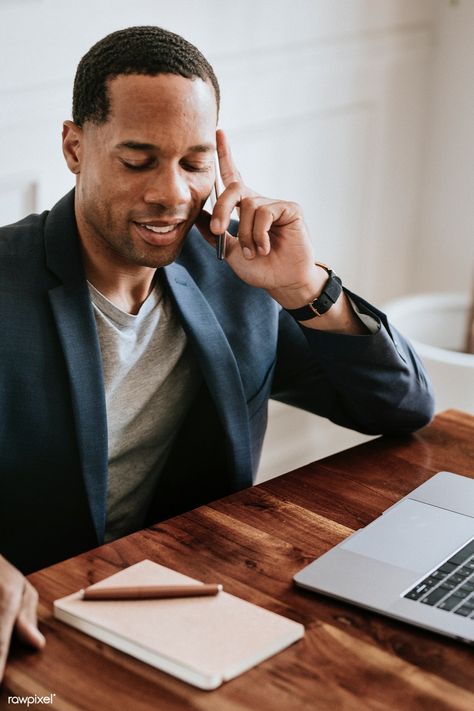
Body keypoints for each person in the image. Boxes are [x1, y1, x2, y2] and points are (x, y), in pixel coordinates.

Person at [0, 25, 434, 681]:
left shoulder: (238, 273)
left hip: (194, 610)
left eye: (194, 162)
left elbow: (400, 406)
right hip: (37, 634)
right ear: (74, 146)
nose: (171, 192)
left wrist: (305, 287)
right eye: (138, 160)